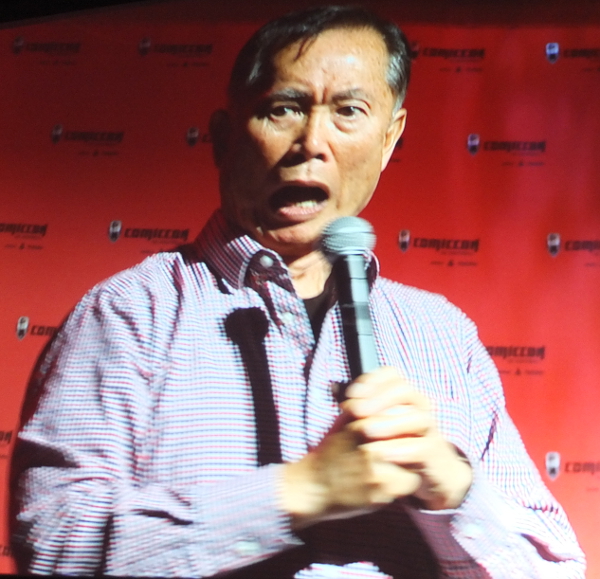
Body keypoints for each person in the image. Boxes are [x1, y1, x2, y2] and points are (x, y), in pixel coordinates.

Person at [10, 5, 585, 578]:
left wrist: (454, 490)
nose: (311, 143)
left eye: (348, 112)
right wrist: (303, 492)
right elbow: (55, 546)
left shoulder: (442, 333)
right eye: (283, 109)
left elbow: (555, 567)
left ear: (389, 140)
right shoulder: (129, 313)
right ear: (223, 138)